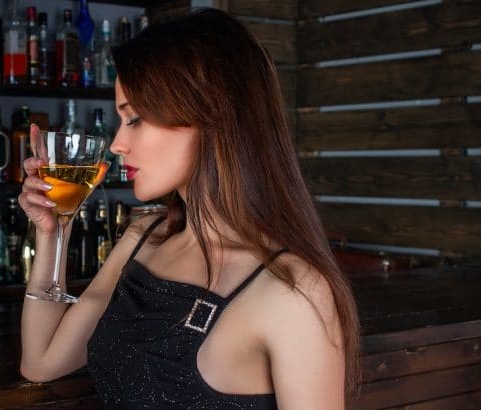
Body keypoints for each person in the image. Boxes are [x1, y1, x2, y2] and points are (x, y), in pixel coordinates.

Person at [18, 8, 360, 409]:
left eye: (135, 119)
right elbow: (41, 361)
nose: (116, 144)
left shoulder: (293, 291)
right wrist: (54, 228)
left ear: (209, 115)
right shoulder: (144, 238)